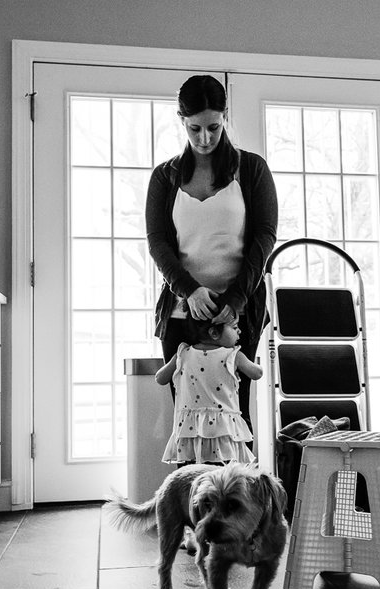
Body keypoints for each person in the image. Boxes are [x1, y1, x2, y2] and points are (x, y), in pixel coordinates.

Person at [146, 74, 278, 442]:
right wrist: (189, 290)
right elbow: (157, 243)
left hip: (239, 312)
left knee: (234, 418)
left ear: (225, 118)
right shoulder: (164, 177)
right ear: (181, 121)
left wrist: (235, 301)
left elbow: (264, 238)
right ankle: (189, 499)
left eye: (213, 128)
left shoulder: (251, 170)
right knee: (186, 420)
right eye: (195, 129)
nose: (204, 139)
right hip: (182, 311)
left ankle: (240, 500)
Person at [155, 312, 262, 466]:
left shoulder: (182, 354)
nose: (239, 331)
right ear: (214, 333)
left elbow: (160, 378)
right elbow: (257, 373)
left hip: (190, 433)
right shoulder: (232, 356)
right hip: (222, 432)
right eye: (234, 327)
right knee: (222, 478)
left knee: (192, 476)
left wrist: (177, 362)